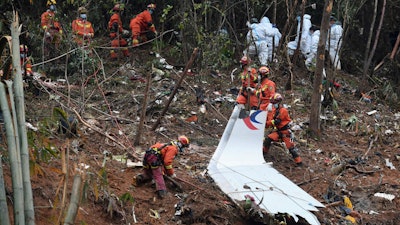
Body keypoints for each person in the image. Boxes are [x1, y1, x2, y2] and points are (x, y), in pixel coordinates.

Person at [263, 93, 302, 165]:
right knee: (268, 139)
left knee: (291, 148)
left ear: (278, 102)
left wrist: (267, 123)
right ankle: (264, 153)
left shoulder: (283, 110)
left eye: (274, 103)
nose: (273, 104)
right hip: (278, 131)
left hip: (285, 132)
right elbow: (271, 120)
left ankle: (299, 162)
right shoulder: (274, 110)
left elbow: (277, 121)